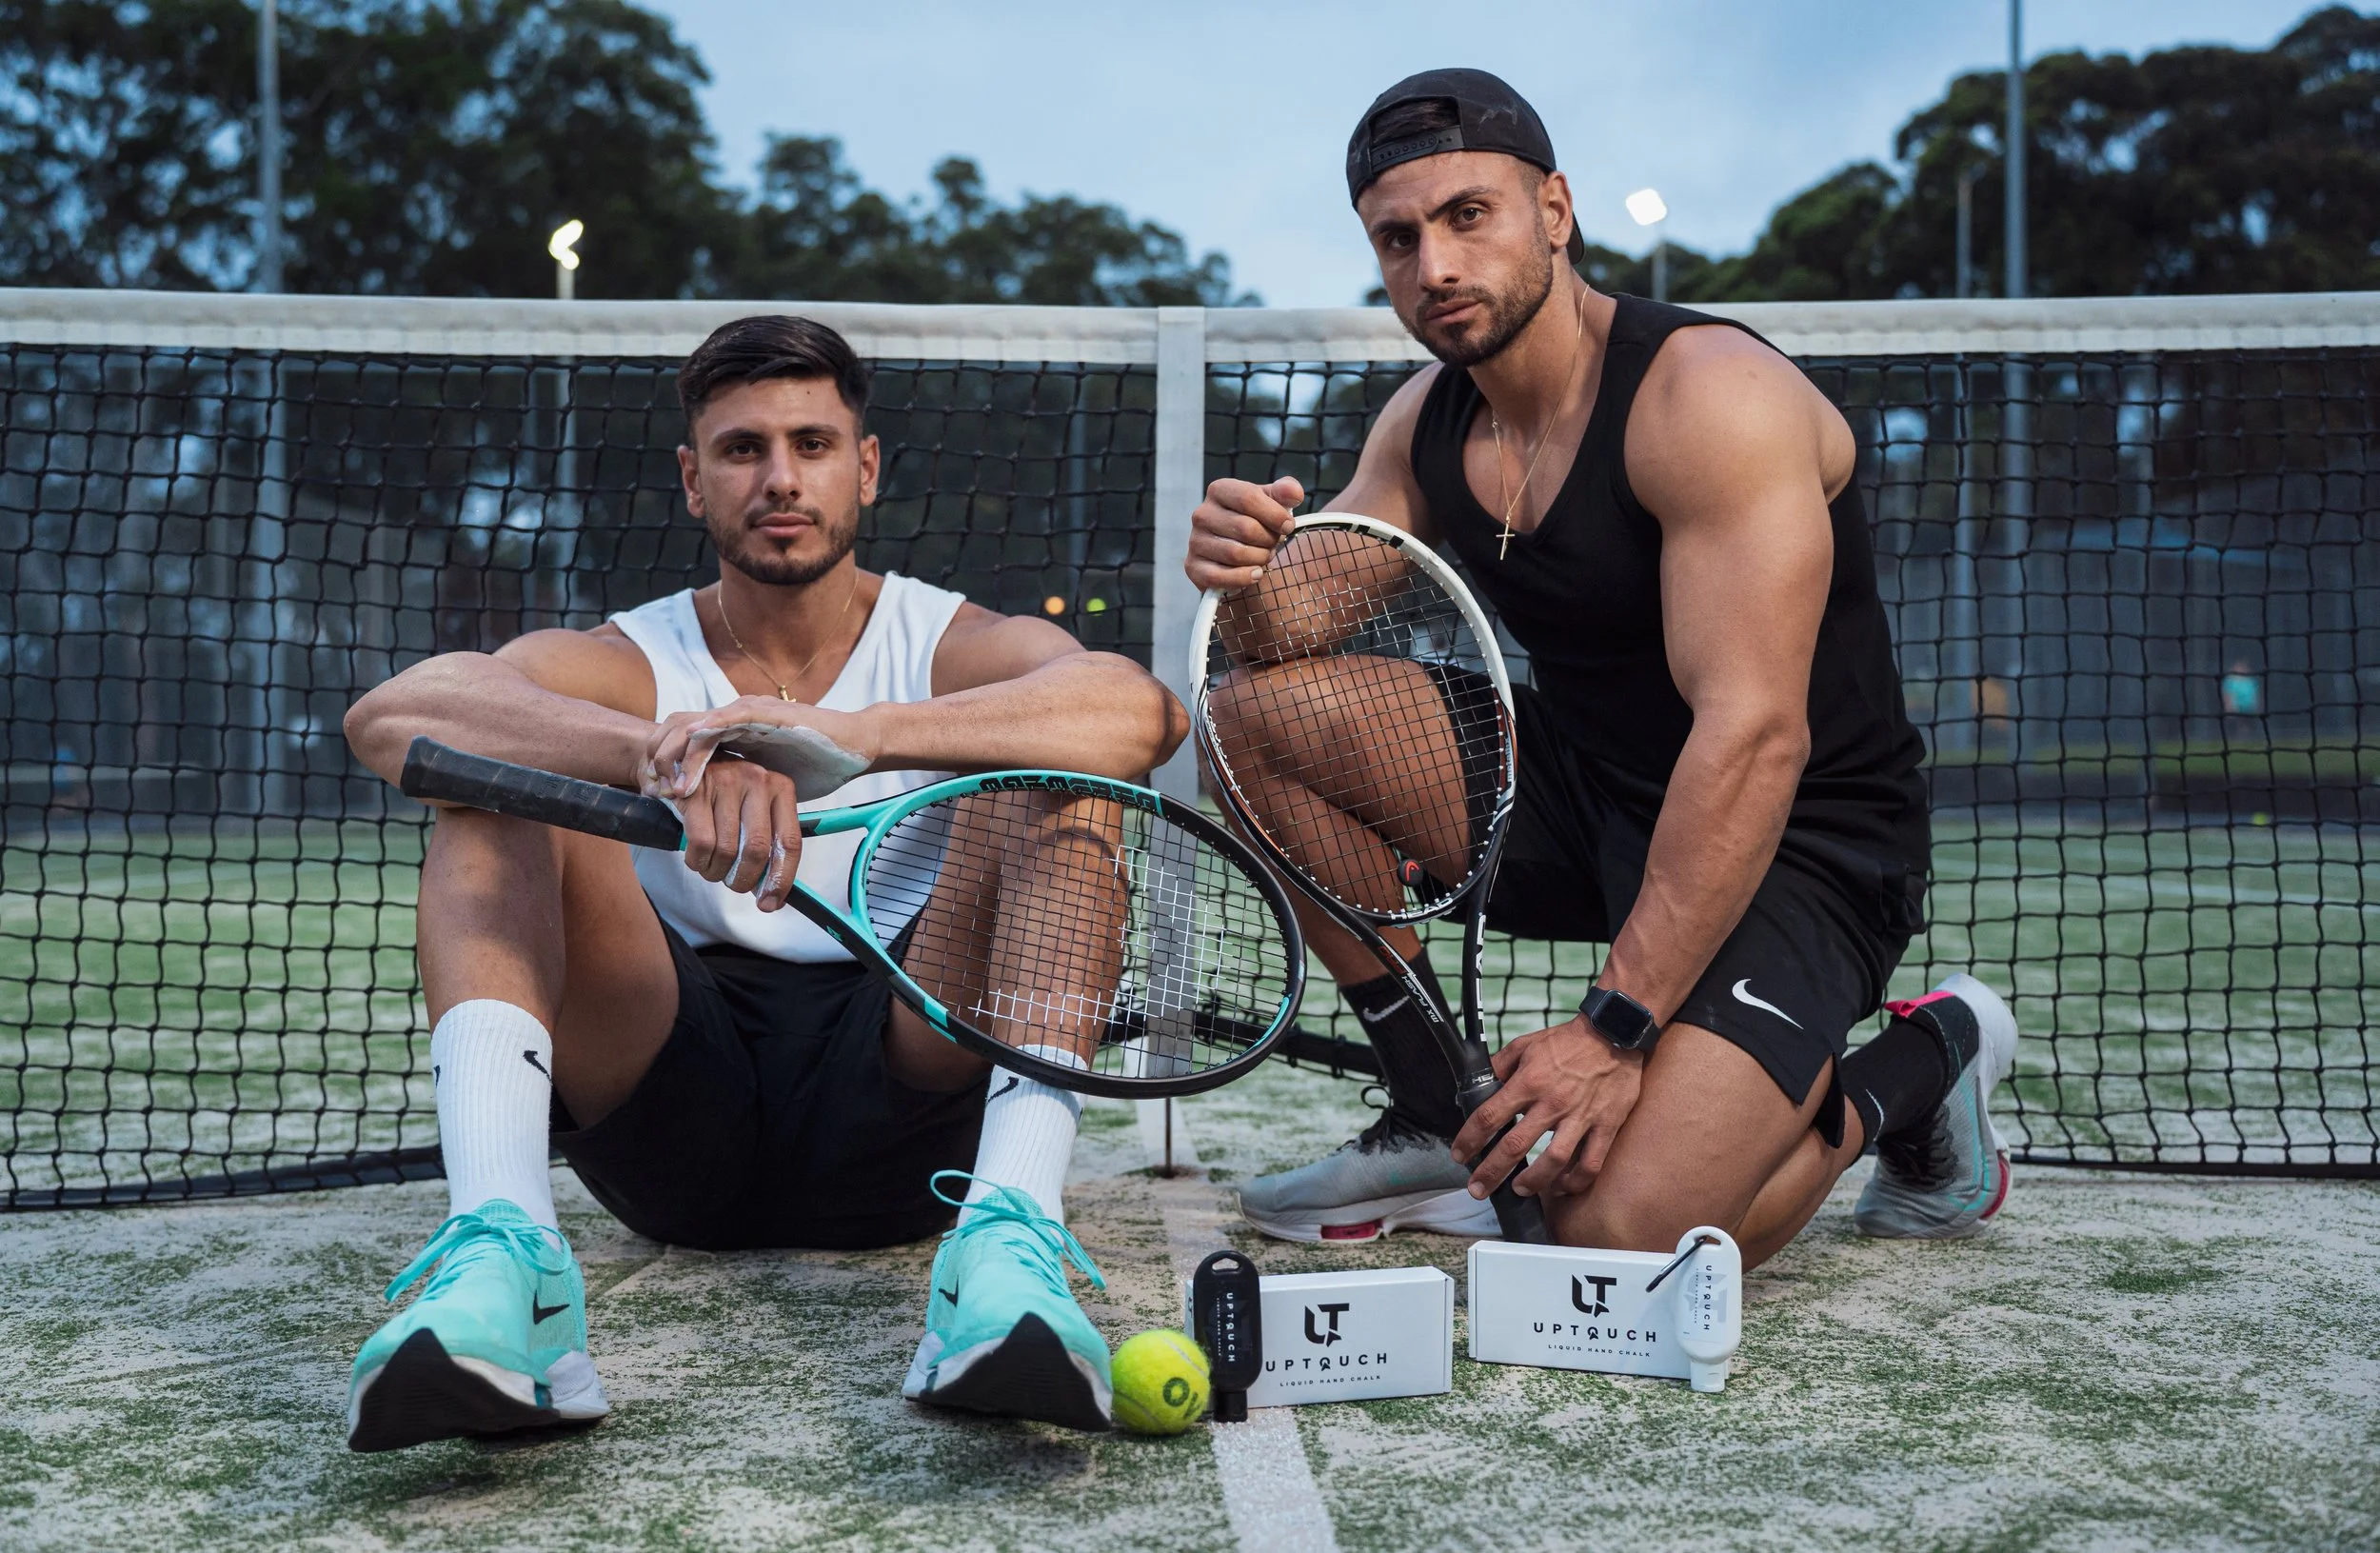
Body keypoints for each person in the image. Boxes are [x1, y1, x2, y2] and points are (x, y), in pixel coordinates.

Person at [1184, 70, 2016, 1265]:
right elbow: (1282, 632)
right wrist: (1246, 569)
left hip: (1802, 835)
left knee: (1614, 1230)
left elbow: (1755, 736)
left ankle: (1925, 1061)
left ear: (1555, 211)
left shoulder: (1707, 396)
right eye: (1398, 238)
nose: (1435, 265)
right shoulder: (1423, 420)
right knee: (1245, 722)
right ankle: (1432, 1107)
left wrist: (1612, 1029)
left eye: (1469, 215)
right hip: (1588, 791)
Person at [340, 314, 1183, 1449]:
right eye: (742, 448)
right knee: (492, 783)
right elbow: (392, 716)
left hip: (907, 1102)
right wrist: (669, 754)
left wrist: (861, 733)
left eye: (811, 444)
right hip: (667, 1109)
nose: (780, 477)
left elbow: (1140, 714)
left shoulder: (948, 642)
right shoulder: (634, 658)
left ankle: (1006, 1246)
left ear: (865, 467)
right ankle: (507, 1268)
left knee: (1061, 775)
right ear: (694, 480)